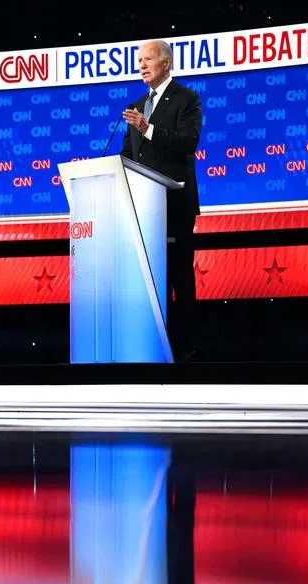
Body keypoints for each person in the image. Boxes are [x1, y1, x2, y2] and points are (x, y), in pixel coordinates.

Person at [121, 40, 203, 361]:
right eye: (138, 60)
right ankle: (156, 346)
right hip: (145, 208)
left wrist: (148, 128)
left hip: (176, 204)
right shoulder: (138, 104)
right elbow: (130, 153)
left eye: (147, 59)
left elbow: (188, 142)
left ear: (166, 62)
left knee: (179, 275)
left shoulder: (187, 99)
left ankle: (186, 351)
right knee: (154, 278)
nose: (141, 65)